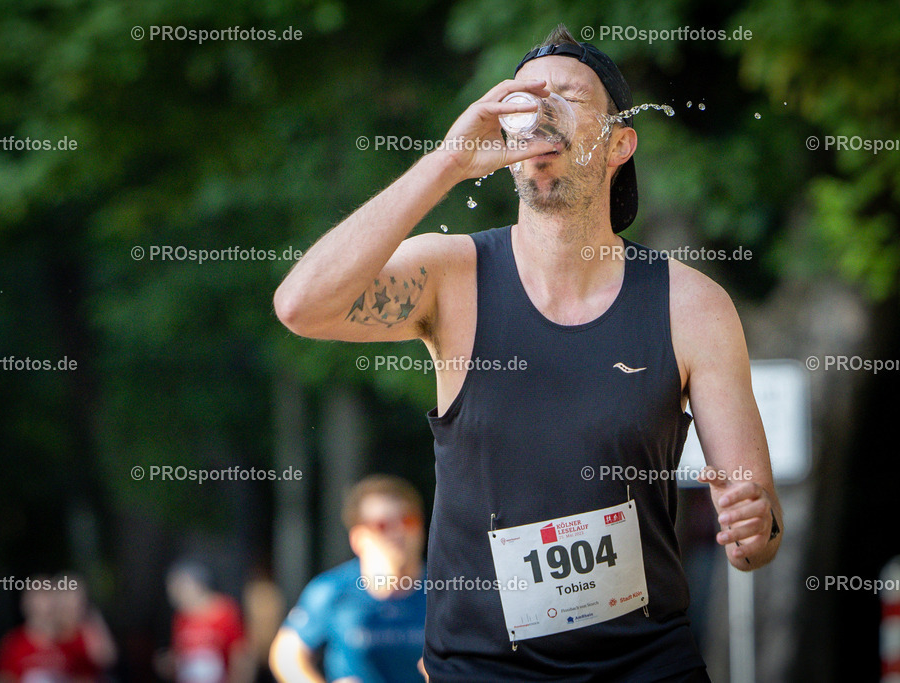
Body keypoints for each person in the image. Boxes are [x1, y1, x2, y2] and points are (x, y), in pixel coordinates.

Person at [273, 24, 783, 682]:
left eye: (567, 95)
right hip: (479, 670)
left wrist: (753, 529)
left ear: (619, 142)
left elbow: (759, 534)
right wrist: (449, 162)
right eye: (525, 98)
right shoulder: (452, 277)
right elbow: (300, 305)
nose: (540, 108)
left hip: (646, 667)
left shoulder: (692, 305)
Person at [269, 475, 427, 683]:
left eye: (408, 521)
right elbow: (286, 655)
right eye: (382, 525)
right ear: (358, 538)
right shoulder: (332, 590)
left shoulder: (445, 593)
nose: (398, 531)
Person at [157, 559, 250, 683]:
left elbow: (242, 655)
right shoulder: (181, 618)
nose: (173, 596)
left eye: (177, 588)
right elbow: (181, 656)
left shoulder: (224, 612)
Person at [0, 579, 66, 683]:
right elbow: (5, 677)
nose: (45, 605)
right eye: (39, 597)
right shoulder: (13, 644)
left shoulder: (70, 640)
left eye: (48, 595)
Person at [52, 573, 118, 682]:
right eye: (69, 594)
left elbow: (107, 658)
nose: (75, 601)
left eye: (78, 595)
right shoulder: (50, 630)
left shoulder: (89, 625)